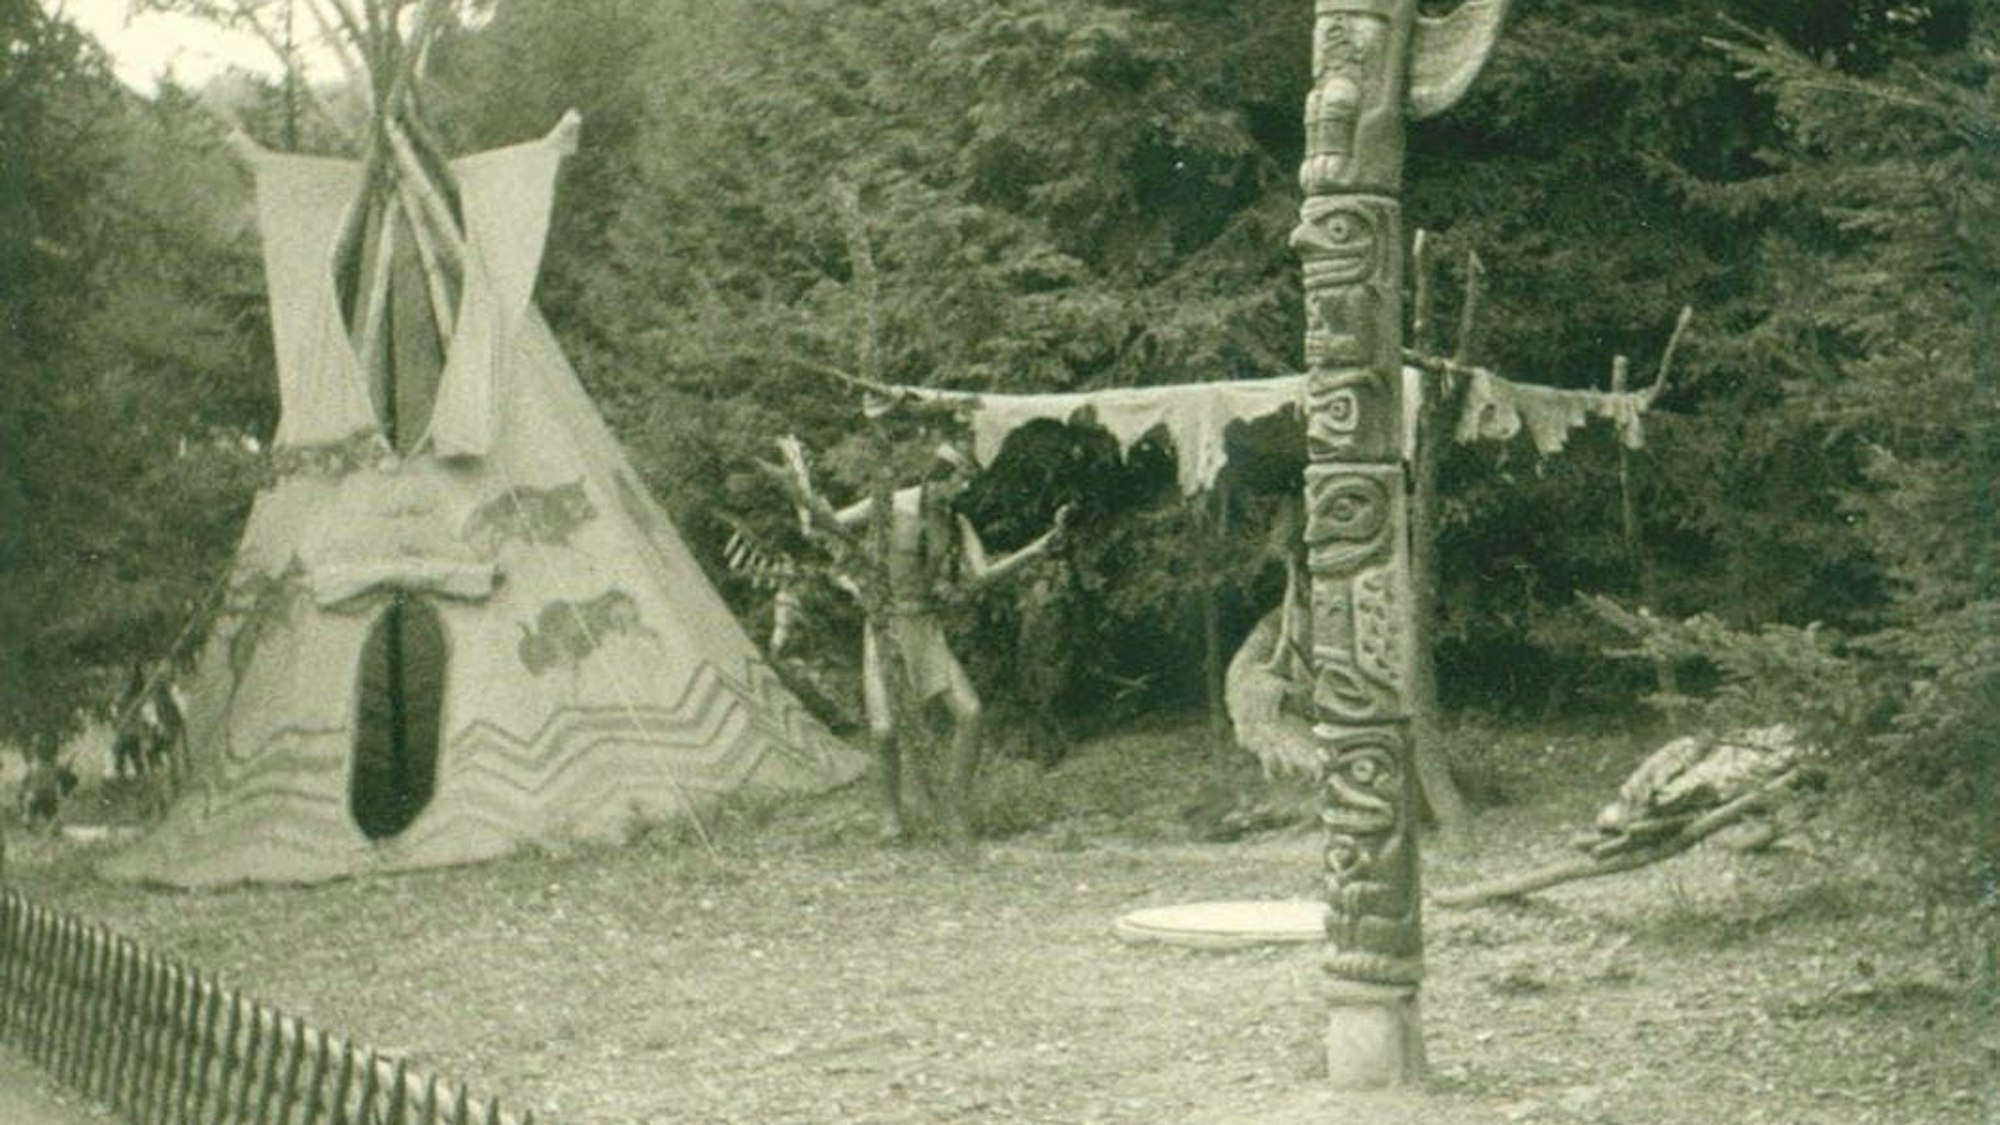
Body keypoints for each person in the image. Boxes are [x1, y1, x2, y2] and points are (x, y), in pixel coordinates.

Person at [780, 440, 1069, 841]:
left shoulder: (954, 522)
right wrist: (801, 490)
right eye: (961, 483)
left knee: (970, 713)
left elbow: (982, 575)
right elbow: (821, 527)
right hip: (886, 626)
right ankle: (890, 821)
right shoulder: (890, 506)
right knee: (884, 731)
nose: (965, 492)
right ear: (939, 479)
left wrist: (1038, 547)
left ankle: (954, 806)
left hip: (927, 627)